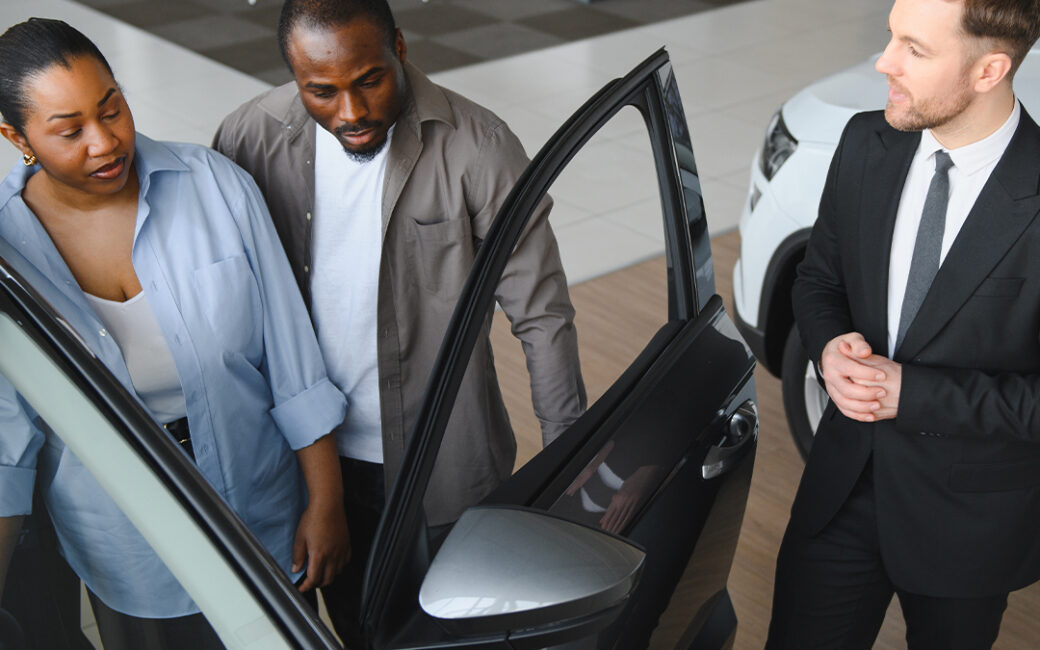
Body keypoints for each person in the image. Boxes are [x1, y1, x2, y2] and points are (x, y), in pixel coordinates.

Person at [213, 0, 587, 644]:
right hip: (309, 465)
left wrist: (570, 469)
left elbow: (542, 315)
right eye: (321, 92)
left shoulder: (477, 143)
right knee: (354, 630)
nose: (351, 113)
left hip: (444, 463)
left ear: (400, 50)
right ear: (292, 76)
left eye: (369, 80)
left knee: (457, 631)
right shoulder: (248, 138)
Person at [0, 18, 351, 648]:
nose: (105, 142)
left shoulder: (214, 186)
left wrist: (326, 503)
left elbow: (293, 360)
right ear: (14, 136)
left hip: (261, 517)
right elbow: (8, 443)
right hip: (127, 547)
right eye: (70, 130)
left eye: (112, 109)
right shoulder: (6, 254)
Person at [767, 0, 1040, 647]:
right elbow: (819, 280)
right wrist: (829, 343)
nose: (884, 63)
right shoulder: (867, 142)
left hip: (968, 524)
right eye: (891, 38)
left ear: (988, 70)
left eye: (914, 50)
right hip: (841, 489)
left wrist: (909, 392)